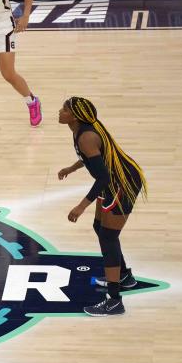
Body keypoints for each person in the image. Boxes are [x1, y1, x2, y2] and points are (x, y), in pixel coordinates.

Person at [58, 97, 147, 316]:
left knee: (108, 236)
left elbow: (103, 178)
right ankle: (124, 276)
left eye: (65, 109)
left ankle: (115, 301)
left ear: (76, 116)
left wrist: (81, 206)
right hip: (115, 180)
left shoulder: (86, 136)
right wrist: (72, 167)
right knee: (101, 229)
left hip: (121, 183)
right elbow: (93, 158)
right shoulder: (81, 130)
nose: (60, 112)